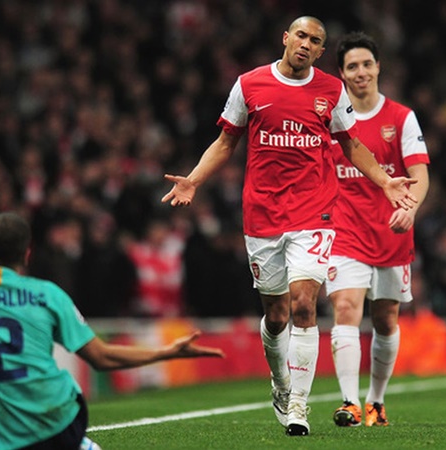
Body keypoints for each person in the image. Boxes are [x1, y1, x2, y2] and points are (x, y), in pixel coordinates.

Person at [161, 16, 417, 436]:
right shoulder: (249, 85)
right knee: (276, 315)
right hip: (262, 215)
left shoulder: (331, 91)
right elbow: (226, 142)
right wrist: (193, 180)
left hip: (315, 212)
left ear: (320, 52)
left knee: (303, 306)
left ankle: (298, 404)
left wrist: (385, 181)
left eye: (315, 41)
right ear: (286, 38)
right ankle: (281, 382)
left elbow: (351, 144)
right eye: (301, 35)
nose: (306, 44)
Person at [0, 211, 224, 450]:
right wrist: (167, 352)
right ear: (27, 254)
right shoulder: (49, 295)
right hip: (61, 426)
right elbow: (102, 357)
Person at [326, 31, 430, 428]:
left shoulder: (401, 117)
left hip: (391, 230)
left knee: (386, 320)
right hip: (344, 231)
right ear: (342, 73)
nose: (361, 72)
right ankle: (350, 403)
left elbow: (419, 174)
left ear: (378, 67)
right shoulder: (332, 120)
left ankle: (376, 401)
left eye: (367, 64)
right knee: (346, 308)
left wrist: (410, 209)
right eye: (352, 66)